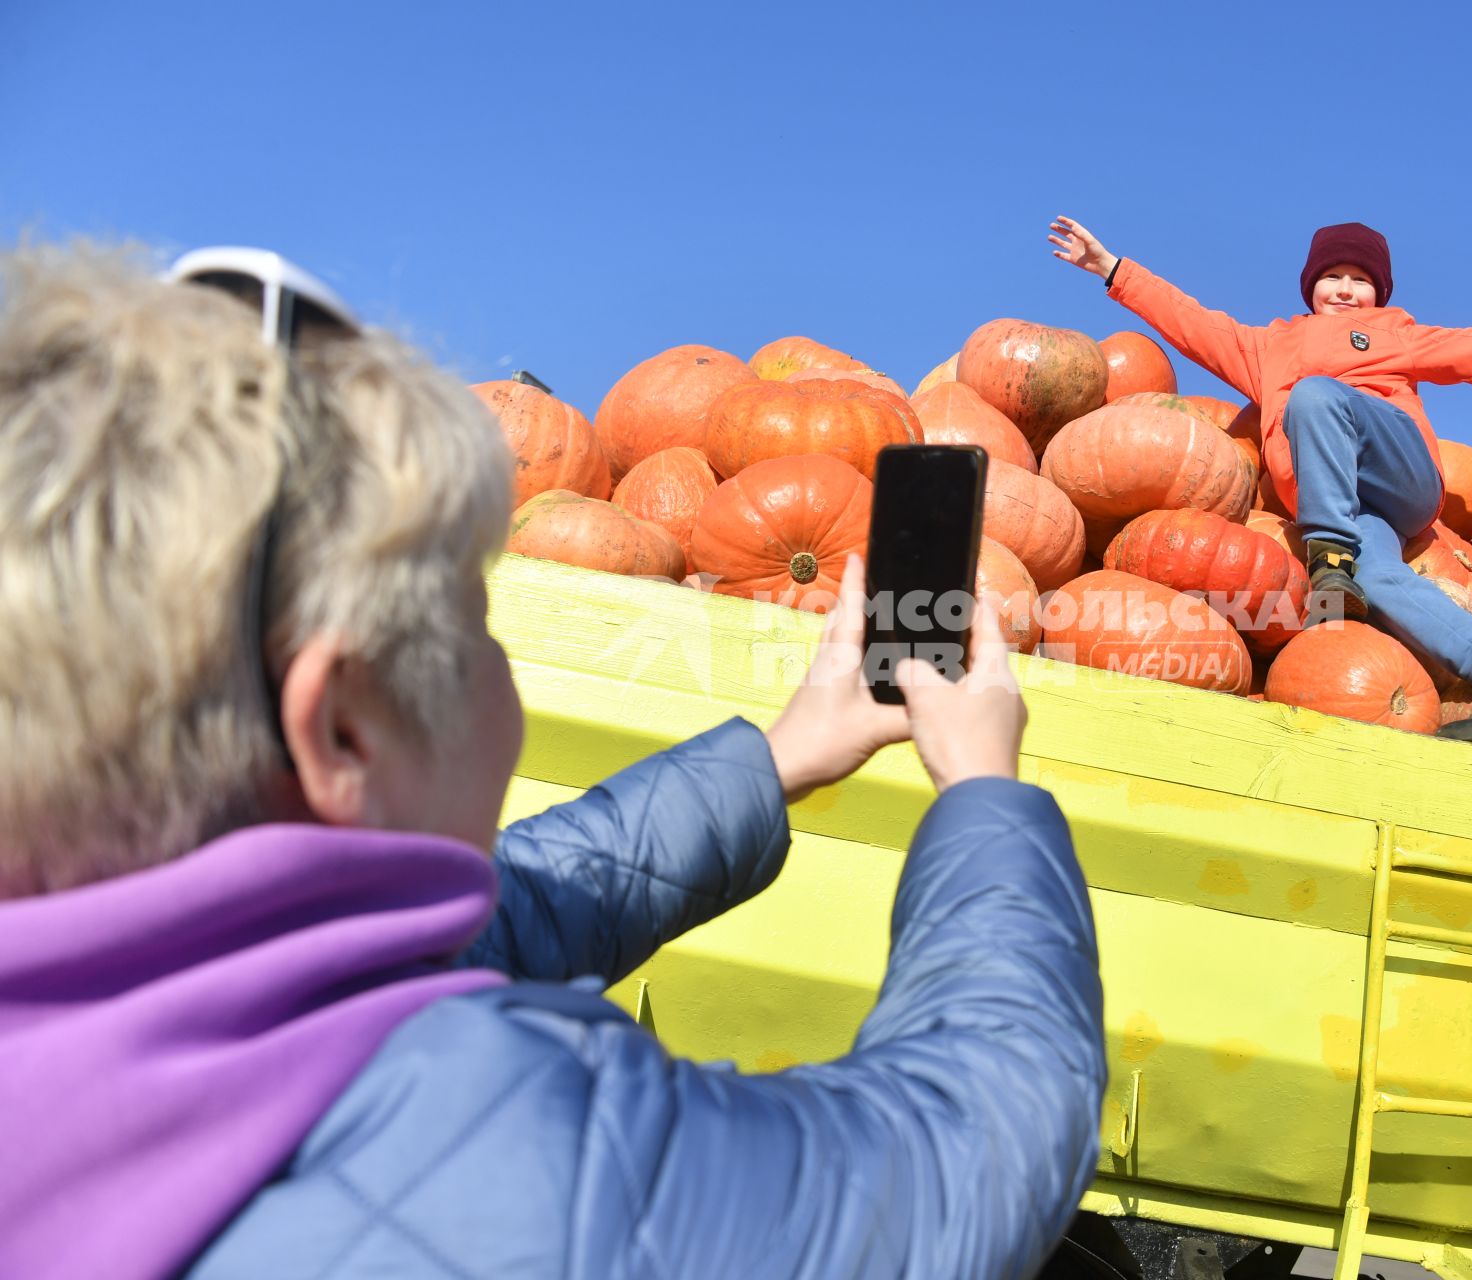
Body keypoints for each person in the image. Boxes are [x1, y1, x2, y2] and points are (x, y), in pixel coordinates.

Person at [0, 244, 1106, 1279]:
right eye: (476, 624)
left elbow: (500, 913)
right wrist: (985, 794)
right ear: (342, 728)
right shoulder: (517, 1145)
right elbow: (963, 1152)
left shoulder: (120, 990)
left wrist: (775, 761)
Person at [1048, 216, 1472, 754]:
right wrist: (1110, 267)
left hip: (1399, 477)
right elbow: (1187, 320)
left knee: (1316, 396)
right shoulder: (1265, 347)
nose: (1345, 289)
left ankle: (1328, 557)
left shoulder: (1396, 334)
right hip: (1344, 510)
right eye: (1333, 276)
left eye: (1360, 279)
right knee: (1379, 579)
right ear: (1310, 285)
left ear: (1378, 293)